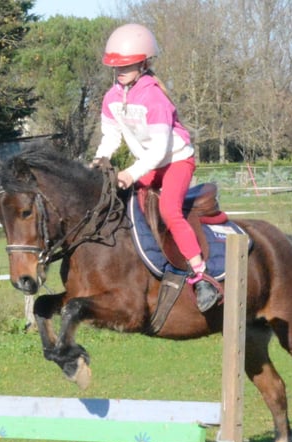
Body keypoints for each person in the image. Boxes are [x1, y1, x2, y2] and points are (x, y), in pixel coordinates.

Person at [92, 23, 220, 312]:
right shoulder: (111, 97)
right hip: (149, 163)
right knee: (126, 204)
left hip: (176, 160)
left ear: (144, 64)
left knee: (169, 210)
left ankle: (201, 276)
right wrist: (99, 161)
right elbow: (110, 137)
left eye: (127, 65)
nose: (120, 71)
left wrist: (130, 173)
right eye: (116, 66)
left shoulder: (155, 98)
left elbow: (161, 150)